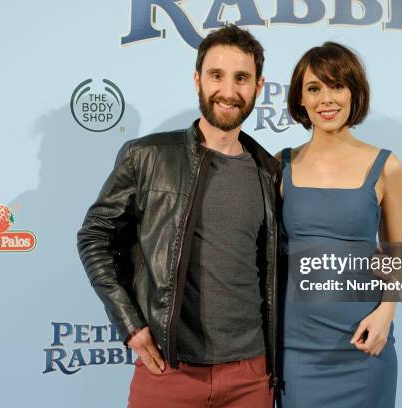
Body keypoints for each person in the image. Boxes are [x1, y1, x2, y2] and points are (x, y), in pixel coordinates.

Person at [77, 25, 279, 408]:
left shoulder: (269, 172)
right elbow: (95, 238)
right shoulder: (148, 156)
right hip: (168, 371)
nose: (228, 90)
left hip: (250, 375)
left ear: (258, 86)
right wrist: (130, 324)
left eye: (242, 78)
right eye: (216, 75)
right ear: (197, 80)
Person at [276, 42, 402, 407]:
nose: (326, 99)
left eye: (337, 86)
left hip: (364, 341)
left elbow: (398, 248)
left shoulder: (387, 165)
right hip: (296, 349)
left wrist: (387, 311)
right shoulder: (279, 165)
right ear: (300, 98)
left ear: (354, 92)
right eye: (314, 88)